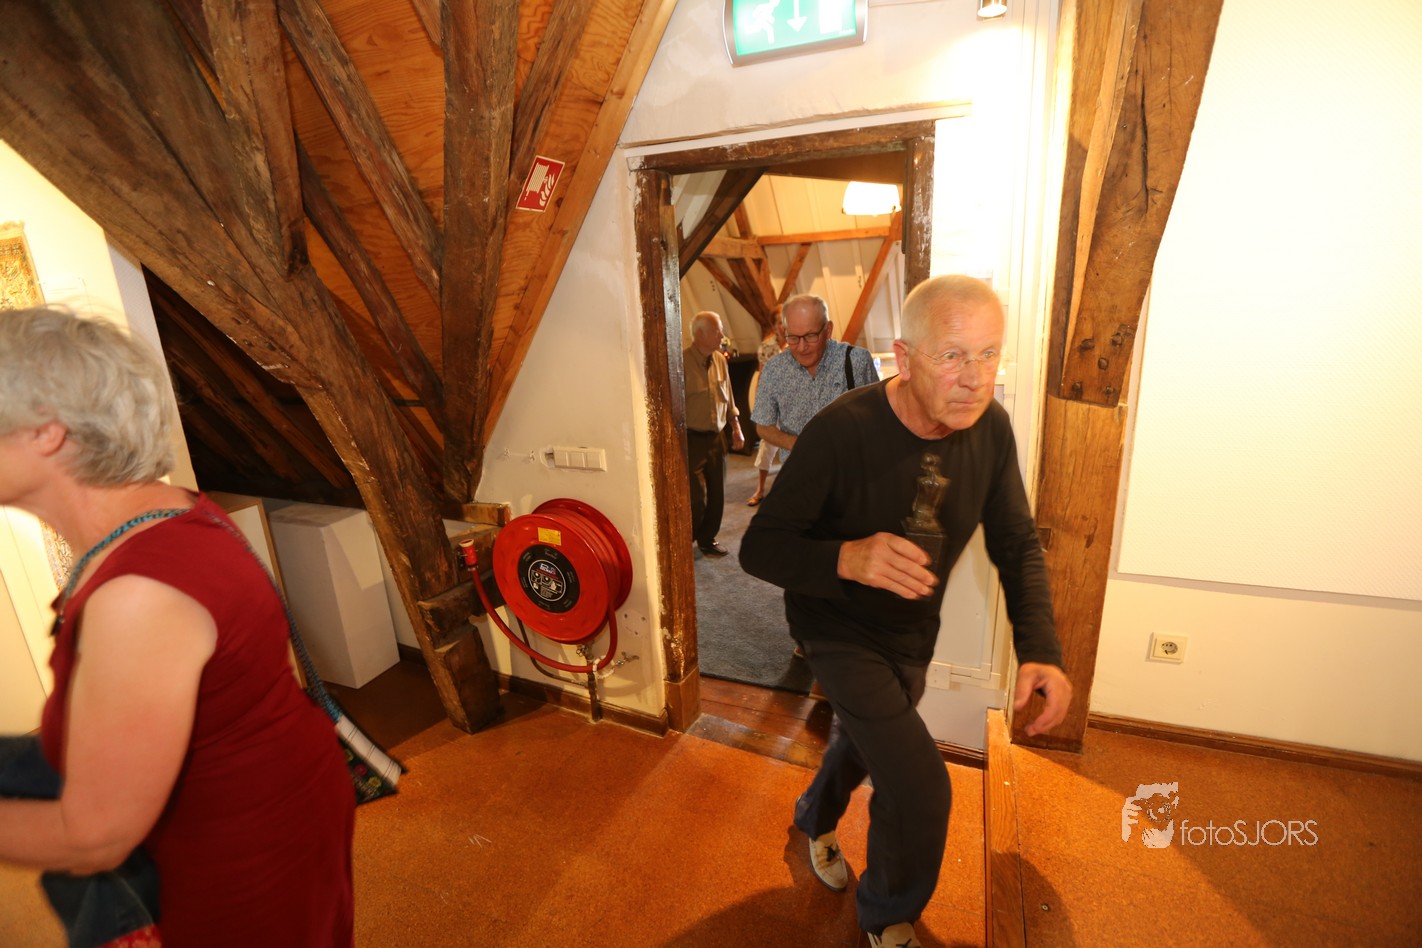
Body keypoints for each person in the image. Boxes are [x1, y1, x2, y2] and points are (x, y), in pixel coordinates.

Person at [0, 307, 355, 946]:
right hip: (273, 797)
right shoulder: (159, 513)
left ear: (47, 432)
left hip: (237, 855)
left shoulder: (138, 595)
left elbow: (96, 836)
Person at [739, 276, 1072, 948]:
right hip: (834, 627)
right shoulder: (841, 432)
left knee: (866, 744)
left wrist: (1041, 648)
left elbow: (1015, 543)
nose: (974, 378)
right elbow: (759, 548)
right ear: (905, 357)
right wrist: (846, 557)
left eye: (988, 354)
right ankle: (887, 915)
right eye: (952, 356)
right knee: (920, 785)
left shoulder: (990, 429)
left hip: (913, 631)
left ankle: (812, 814)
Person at [750, 293, 878, 466]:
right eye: (793, 338)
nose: (802, 347)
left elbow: (878, 416)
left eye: (811, 336)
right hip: (800, 470)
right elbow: (763, 425)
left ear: (828, 330)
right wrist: (798, 444)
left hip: (851, 468)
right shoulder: (774, 369)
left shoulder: (856, 361)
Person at [683, 310, 744, 557]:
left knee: (718, 492)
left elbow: (729, 398)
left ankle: (708, 539)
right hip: (691, 438)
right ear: (700, 334)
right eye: (717, 331)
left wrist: (736, 428)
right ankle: (687, 539)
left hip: (717, 436)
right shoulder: (681, 362)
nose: (722, 335)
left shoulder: (720, 360)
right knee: (696, 497)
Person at [746, 319, 786, 507]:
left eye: (784, 321)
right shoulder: (766, 347)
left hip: (795, 402)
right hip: (774, 402)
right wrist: (760, 403)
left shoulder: (798, 343)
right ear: (774, 325)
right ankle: (760, 489)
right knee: (767, 444)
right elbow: (762, 376)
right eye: (778, 321)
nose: (782, 325)